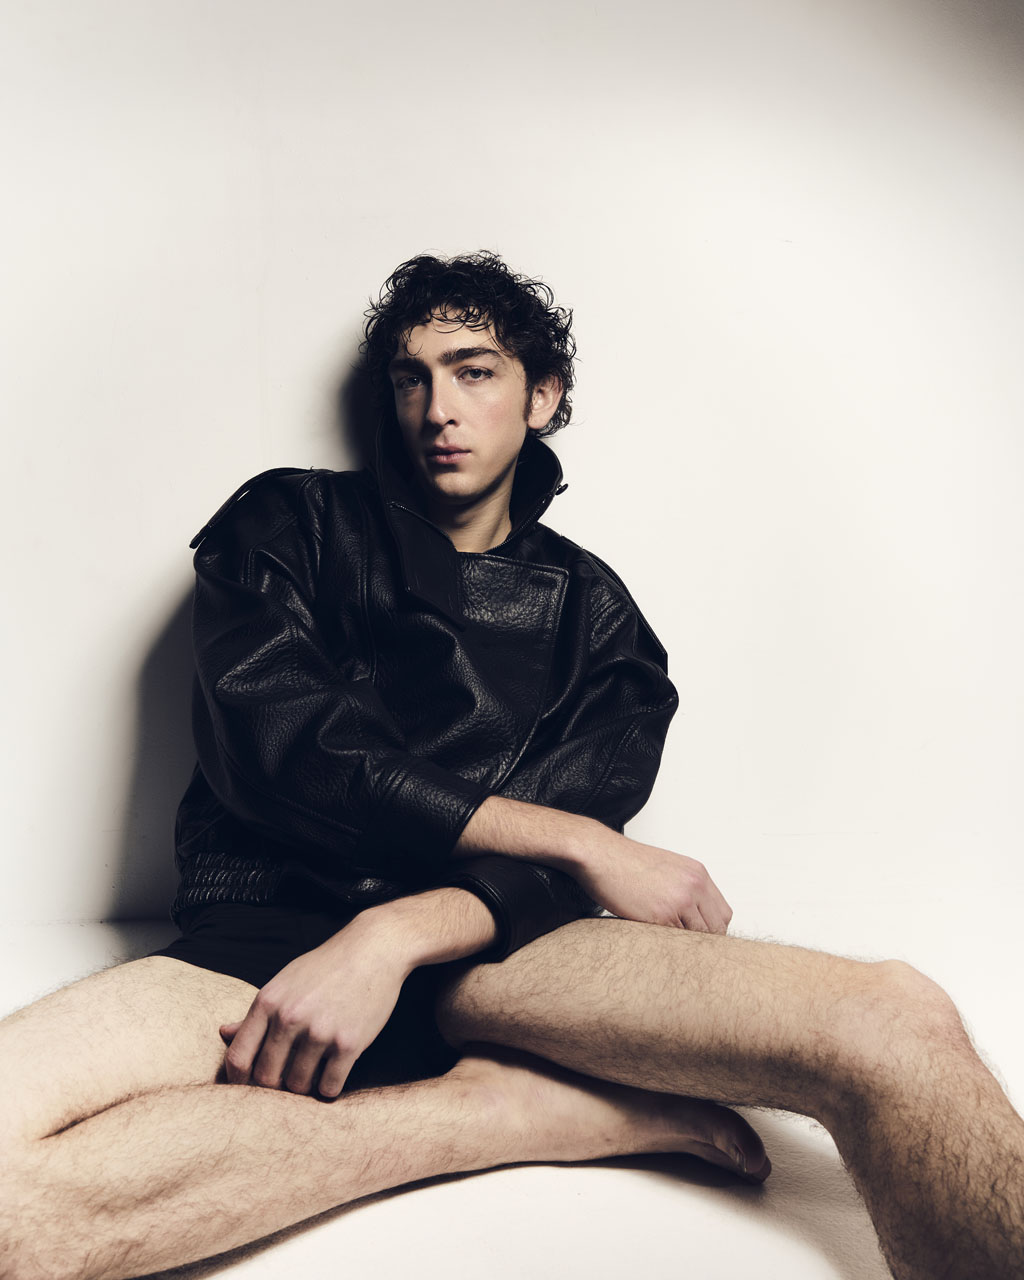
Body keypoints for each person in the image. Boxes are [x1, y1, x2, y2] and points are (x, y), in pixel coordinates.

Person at [1, 253, 1021, 1280]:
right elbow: (283, 747)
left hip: (498, 953)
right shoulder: (288, 520)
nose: (438, 407)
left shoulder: (601, 620)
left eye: (475, 371)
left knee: (895, 1020)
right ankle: (498, 1114)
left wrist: (393, 933)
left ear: (542, 396)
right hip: (257, 940)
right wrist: (575, 839)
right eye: (412, 377)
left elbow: (543, 877)